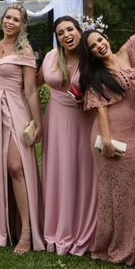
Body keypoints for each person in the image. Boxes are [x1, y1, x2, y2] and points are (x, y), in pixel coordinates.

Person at [78, 0, 135, 266]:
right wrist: (108, 144)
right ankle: (112, 246)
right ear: (90, 54)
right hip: (109, 139)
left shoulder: (128, 52)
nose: (100, 46)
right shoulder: (95, 75)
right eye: (93, 47)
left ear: (106, 37)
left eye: (100, 40)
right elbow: (100, 111)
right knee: (114, 195)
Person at [0, 2, 44, 254]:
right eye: (8, 17)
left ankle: (26, 232)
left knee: (16, 168)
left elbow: (30, 90)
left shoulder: (25, 50)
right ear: (2, 19)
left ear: (22, 25)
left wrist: (37, 122)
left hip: (14, 109)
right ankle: (0, 227)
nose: (10, 22)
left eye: (16, 19)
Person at [38, 16, 97, 256]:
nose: (66, 35)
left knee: (83, 173)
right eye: (60, 32)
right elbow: (32, 82)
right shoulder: (52, 57)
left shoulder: (92, 57)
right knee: (58, 172)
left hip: (85, 120)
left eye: (70, 29)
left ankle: (84, 228)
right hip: (56, 118)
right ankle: (56, 227)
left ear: (79, 31)